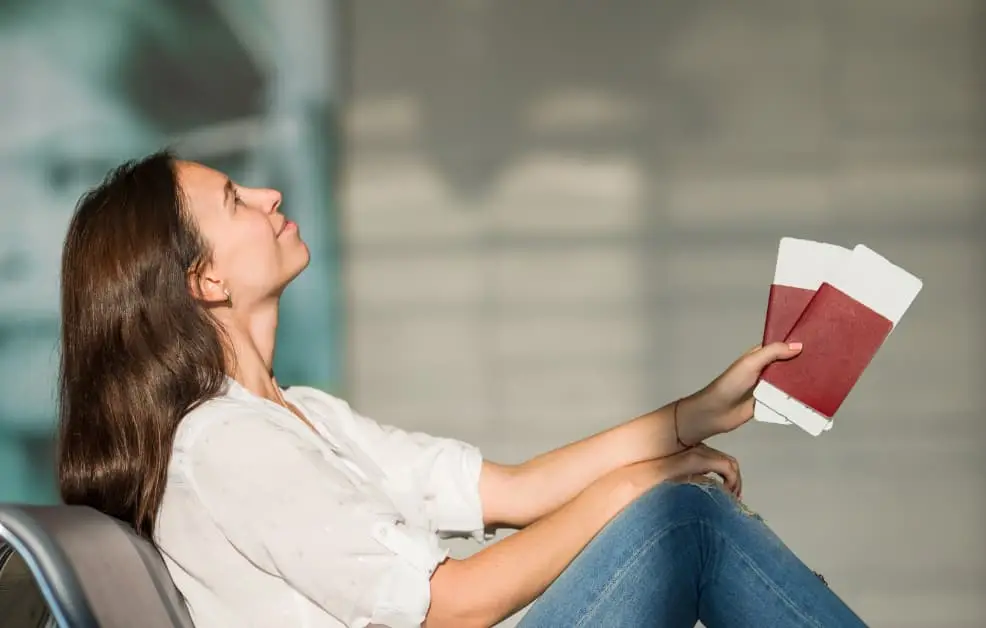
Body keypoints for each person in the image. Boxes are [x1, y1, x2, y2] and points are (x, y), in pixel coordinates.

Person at [57, 151, 867, 628]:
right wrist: (640, 486)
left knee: (682, 515)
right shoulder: (227, 448)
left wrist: (692, 414)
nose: (269, 196)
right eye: (235, 201)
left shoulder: (299, 414)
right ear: (202, 280)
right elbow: (453, 606)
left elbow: (513, 490)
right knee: (683, 522)